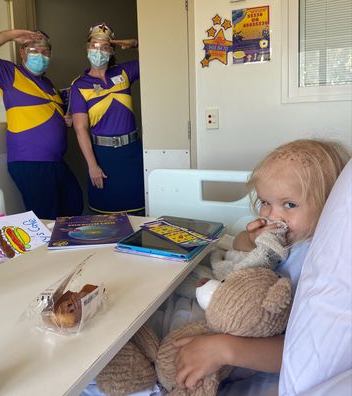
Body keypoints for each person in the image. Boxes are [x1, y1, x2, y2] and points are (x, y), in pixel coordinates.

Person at [172, 139, 350, 394]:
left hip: (255, 355)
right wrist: (252, 238)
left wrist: (222, 349)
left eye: (289, 204)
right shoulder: (284, 237)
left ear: (328, 207)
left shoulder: (317, 261)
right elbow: (242, 248)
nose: (272, 216)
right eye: (265, 202)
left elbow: (298, 349)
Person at [0, 29, 84, 220]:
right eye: (35, 50)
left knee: (73, 206)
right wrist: (12, 35)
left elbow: (48, 114)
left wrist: (65, 120)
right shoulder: (10, 74)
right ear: (22, 53)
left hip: (55, 162)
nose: (41, 56)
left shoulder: (48, 83)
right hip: (31, 162)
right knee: (47, 220)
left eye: (46, 52)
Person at [70, 22, 144, 215]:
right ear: (87, 48)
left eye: (104, 46)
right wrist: (92, 166)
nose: (98, 51)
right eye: (94, 45)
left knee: (139, 212)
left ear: (112, 50)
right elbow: (80, 129)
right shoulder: (79, 85)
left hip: (132, 153)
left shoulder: (124, 72)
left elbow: (157, 52)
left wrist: (135, 43)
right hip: (102, 156)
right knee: (106, 218)